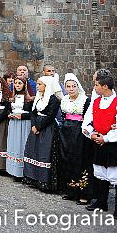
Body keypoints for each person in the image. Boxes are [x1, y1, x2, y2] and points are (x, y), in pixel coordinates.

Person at [82, 73, 117, 214]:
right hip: (97, 142)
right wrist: (92, 134)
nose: (94, 87)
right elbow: (88, 121)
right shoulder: (95, 102)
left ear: (105, 86)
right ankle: (101, 202)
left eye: (96, 85)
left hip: (113, 144)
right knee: (100, 172)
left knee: (114, 174)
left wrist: (106, 138)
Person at [23, 75, 62, 192]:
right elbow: (33, 112)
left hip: (47, 128)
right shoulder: (40, 97)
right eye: (38, 84)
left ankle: (44, 181)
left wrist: (39, 126)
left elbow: (50, 116)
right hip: (37, 126)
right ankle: (33, 177)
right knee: (34, 151)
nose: (38, 86)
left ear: (47, 85)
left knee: (44, 153)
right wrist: (34, 125)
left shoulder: (53, 99)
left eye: (40, 84)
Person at [59, 73, 92, 205]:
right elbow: (63, 115)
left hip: (79, 132)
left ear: (78, 86)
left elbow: (87, 117)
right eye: (68, 86)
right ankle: (71, 190)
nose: (71, 89)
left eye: (74, 86)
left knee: (80, 160)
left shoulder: (85, 100)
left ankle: (83, 193)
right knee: (67, 159)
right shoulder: (64, 99)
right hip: (66, 131)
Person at [5, 77, 34, 179]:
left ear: (25, 85)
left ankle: (22, 171)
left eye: (20, 83)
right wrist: (9, 114)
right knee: (14, 143)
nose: (17, 85)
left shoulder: (29, 99)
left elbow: (32, 114)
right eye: (16, 83)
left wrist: (22, 116)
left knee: (22, 144)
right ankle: (13, 170)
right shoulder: (13, 97)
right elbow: (8, 109)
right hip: (14, 123)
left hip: (24, 123)